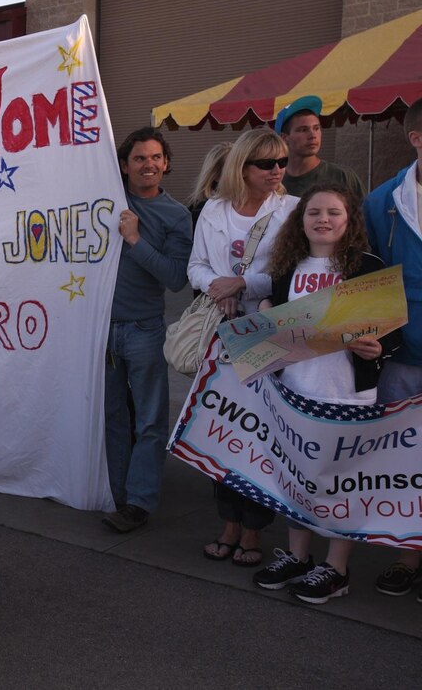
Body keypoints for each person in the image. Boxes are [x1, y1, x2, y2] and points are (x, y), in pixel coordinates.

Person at [251, 185, 396, 603]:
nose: (323, 220)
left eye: (334, 212)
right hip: (294, 391)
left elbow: (391, 333)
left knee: (340, 482)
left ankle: (336, 568)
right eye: (314, 212)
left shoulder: (367, 266)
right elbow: (273, 320)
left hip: (347, 394)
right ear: (301, 220)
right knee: (295, 477)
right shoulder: (287, 265)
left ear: (349, 219)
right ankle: (298, 557)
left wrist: (378, 349)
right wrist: (263, 313)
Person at [188, 129, 298, 566]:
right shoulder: (214, 209)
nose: (277, 171)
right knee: (221, 426)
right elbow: (196, 265)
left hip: (266, 329)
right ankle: (228, 523)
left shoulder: (291, 209)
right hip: (221, 328)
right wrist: (217, 285)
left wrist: (244, 284)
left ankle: (253, 529)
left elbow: (293, 273)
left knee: (259, 431)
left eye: (282, 162)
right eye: (266, 163)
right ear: (242, 166)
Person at [102, 128, 192, 533]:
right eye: (139, 158)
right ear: (124, 165)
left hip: (144, 330)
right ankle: (115, 494)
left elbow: (175, 277)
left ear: (166, 163)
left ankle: (139, 501)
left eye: (156, 157)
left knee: (150, 420)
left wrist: (135, 240)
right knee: (110, 416)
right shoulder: (106, 200)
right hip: (100, 330)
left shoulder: (176, 215)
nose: (148, 165)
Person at [363, 96, 422, 600]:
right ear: (417, 139)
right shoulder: (382, 201)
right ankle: (408, 555)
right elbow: (369, 278)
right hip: (403, 356)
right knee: (403, 460)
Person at [275, 95, 365, 204]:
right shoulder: (274, 180)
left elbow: (363, 213)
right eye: (303, 130)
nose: (313, 135)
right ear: (284, 138)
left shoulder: (342, 177)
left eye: (316, 128)